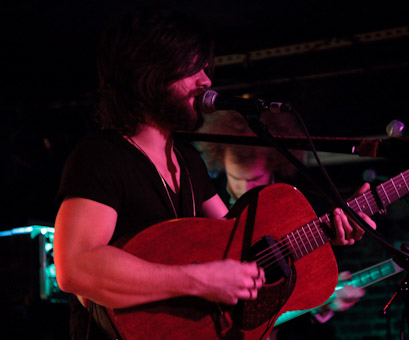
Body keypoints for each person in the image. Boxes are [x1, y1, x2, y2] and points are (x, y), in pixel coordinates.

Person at [53, 6, 374, 340]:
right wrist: (201, 280)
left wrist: (327, 230)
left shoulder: (189, 163)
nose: (206, 80)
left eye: (205, 68)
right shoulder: (102, 156)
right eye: (191, 67)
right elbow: (75, 266)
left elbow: (242, 247)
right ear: (147, 73)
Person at [197, 110, 371, 339]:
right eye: (236, 178)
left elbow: (308, 293)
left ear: (272, 166)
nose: (245, 188)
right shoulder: (204, 204)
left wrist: (324, 303)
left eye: (254, 179)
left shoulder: (305, 209)